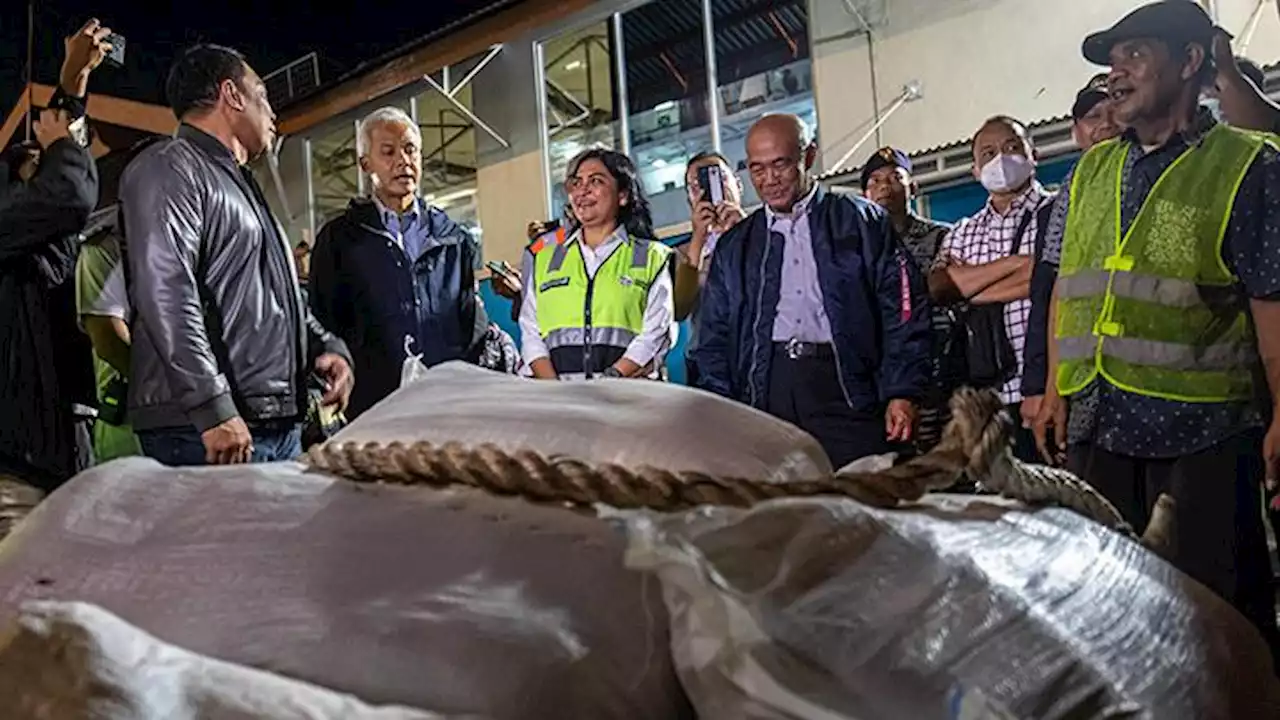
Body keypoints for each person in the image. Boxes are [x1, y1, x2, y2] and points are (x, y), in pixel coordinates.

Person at [1034, 0, 1280, 654]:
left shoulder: (1247, 166)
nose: (1116, 73)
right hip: (1097, 426)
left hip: (1202, 434)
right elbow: (1066, 286)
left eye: (1134, 54)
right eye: (1112, 61)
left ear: (1190, 62)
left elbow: (1270, 302)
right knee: (1107, 614)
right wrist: (1057, 390)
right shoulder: (1087, 173)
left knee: (1214, 619)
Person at [121, 43, 353, 466]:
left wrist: (328, 346)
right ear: (232, 95)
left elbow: (284, 300)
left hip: (268, 423)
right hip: (205, 429)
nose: (272, 111)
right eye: (262, 94)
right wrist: (212, 406)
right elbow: (167, 293)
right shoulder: (169, 167)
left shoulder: (241, 188)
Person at [695, 114, 931, 468]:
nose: (770, 180)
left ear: (808, 157)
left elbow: (903, 311)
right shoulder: (736, 246)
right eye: (758, 170)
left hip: (848, 388)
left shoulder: (862, 221)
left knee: (862, 502)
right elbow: (713, 337)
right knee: (784, 512)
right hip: (767, 391)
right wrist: (723, 410)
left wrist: (902, 390)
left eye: (781, 165)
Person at [310, 106, 487, 419]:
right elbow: (324, 320)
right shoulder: (340, 240)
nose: (403, 161)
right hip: (372, 404)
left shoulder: (452, 238)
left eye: (410, 150)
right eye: (389, 152)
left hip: (446, 401)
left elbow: (468, 319)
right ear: (366, 163)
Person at [0, 19, 111, 492]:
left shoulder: (34, 247)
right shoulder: (12, 224)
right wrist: (62, 144)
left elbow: (61, 200)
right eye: (35, 165)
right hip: (15, 460)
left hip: (56, 438)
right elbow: (68, 194)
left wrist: (71, 86)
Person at [929, 116, 1054, 462]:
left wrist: (970, 286)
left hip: (1047, 386)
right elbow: (941, 288)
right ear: (975, 170)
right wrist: (1017, 264)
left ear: (1034, 155)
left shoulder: (1058, 212)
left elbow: (1052, 277)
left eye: (1012, 147)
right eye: (988, 153)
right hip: (989, 398)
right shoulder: (961, 232)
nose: (1001, 158)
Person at [1019, 76, 1120, 454]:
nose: (1106, 123)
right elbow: (1050, 294)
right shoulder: (1067, 195)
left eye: (1114, 110)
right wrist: (1047, 387)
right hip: (1083, 384)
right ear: (1076, 131)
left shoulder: (1162, 175)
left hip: (1155, 382)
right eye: (1094, 115)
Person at [518, 147, 675, 380]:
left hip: (626, 398)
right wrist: (554, 389)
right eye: (577, 183)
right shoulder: (546, 259)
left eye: (596, 181)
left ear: (623, 195)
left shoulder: (652, 257)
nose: (583, 190)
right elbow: (531, 331)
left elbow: (655, 333)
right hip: (558, 402)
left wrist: (609, 381)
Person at [861, 146, 954, 453]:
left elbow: (946, 292)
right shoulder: (855, 249)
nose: (884, 186)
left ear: (912, 187)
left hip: (941, 370)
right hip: (882, 376)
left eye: (894, 178)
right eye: (874, 181)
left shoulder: (943, 237)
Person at [675, 151, 746, 387]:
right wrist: (698, 239)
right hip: (707, 362)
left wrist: (744, 229)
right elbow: (679, 308)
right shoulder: (683, 252)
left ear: (738, 185)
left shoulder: (764, 232)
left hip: (759, 354)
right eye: (695, 186)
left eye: (718, 178)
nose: (706, 190)